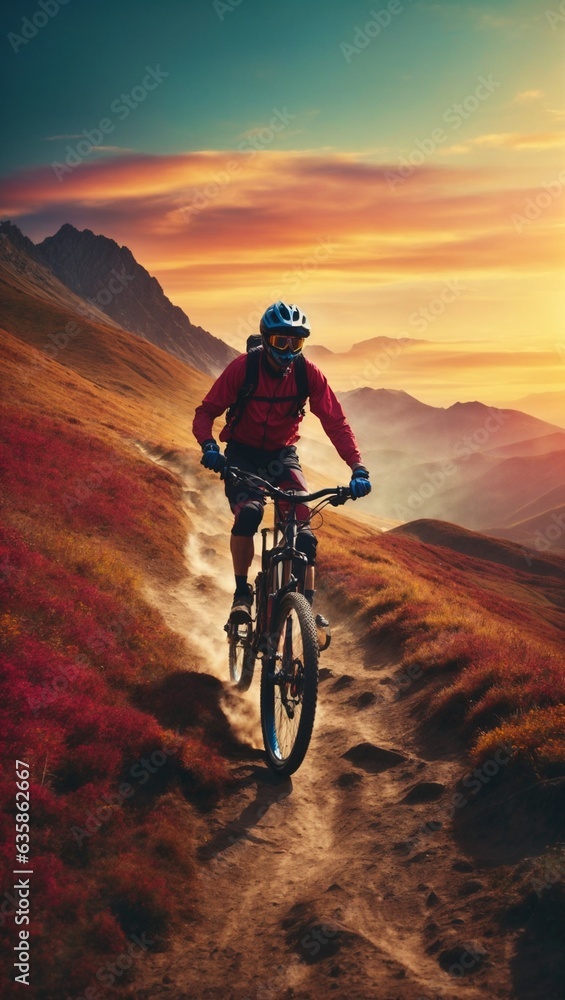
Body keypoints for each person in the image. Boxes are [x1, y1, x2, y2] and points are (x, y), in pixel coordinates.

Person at [192, 301, 371, 623]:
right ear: (266, 340)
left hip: (281, 455)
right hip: (242, 454)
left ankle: (303, 607)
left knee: (304, 534)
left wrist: (358, 467)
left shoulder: (307, 373)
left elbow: (336, 422)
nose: (288, 350)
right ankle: (242, 594)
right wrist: (209, 446)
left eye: (296, 343)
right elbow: (206, 412)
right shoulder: (243, 368)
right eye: (280, 342)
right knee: (250, 513)